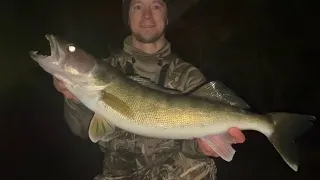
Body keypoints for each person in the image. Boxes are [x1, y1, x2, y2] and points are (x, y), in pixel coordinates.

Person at [53, 0, 245, 179]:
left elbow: (191, 143)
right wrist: (73, 98)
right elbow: (82, 129)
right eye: (137, 6)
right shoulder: (107, 68)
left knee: (200, 167)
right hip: (117, 174)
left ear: (166, 16)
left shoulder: (188, 76)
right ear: (128, 17)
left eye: (156, 6)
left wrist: (204, 146)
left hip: (174, 172)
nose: (146, 15)